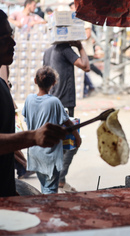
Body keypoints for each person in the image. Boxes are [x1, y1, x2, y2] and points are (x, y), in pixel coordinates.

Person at [0, 10, 66, 197]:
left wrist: (12, 149)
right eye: (4, 37)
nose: (13, 42)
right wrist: (31, 137)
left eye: (11, 35)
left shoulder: (2, 86)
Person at [22, 66, 81, 194]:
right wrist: (78, 138)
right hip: (50, 154)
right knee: (50, 190)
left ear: (35, 81)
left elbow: (27, 119)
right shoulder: (54, 102)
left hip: (34, 152)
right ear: (54, 83)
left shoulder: (29, 99)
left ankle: (44, 209)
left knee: (45, 185)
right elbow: (68, 123)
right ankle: (47, 212)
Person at [43, 41, 89, 192]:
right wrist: (80, 46)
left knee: (57, 143)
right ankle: (60, 179)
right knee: (72, 143)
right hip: (65, 104)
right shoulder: (65, 49)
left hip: (51, 102)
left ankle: (54, 179)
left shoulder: (48, 51)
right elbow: (86, 66)